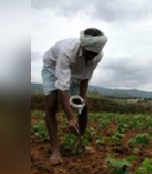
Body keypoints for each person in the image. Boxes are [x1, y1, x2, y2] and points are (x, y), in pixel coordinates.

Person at [42, 28, 107, 165]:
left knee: (83, 106)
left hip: (76, 75)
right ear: (83, 47)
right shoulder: (67, 51)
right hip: (52, 68)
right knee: (52, 105)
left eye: (95, 54)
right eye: (89, 54)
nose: (92, 57)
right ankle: (55, 150)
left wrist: (81, 102)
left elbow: (85, 78)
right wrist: (71, 117)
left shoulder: (97, 56)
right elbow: (62, 87)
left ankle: (79, 142)